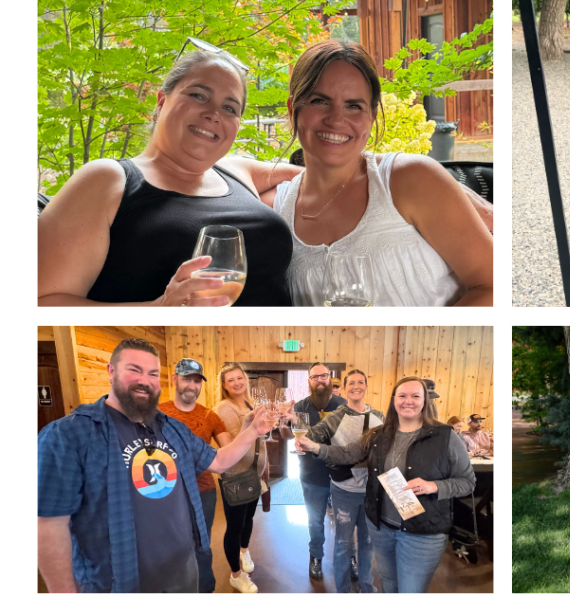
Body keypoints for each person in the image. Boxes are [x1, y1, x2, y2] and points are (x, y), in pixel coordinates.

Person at [38, 43, 294, 307]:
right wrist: (158, 309)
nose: (213, 114)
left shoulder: (235, 171)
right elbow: (43, 302)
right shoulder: (107, 179)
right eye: (198, 95)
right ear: (161, 102)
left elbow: (315, 178)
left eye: (230, 108)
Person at [38, 338, 274, 593]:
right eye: (134, 370)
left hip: (183, 573)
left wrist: (253, 431)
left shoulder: (172, 428)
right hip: (119, 582)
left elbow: (218, 461)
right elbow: (49, 524)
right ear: (111, 371)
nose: (145, 380)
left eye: (152, 373)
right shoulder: (68, 434)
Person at [271, 41, 493, 307]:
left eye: (354, 106)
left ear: (372, 116)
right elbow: (229, 170)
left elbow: (493, 285)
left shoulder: (410, 179)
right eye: (320, 101)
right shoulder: (276, 212)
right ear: (293, 109)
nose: (336, 119)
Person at [296, 376, 475, 593]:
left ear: (425, 401)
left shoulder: (445, 436)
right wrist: (314, 447)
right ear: (394, 400)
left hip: (421, 533)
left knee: (410, 591)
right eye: (402, 395)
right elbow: (347, 453)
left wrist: (434, 486)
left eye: (415, 396)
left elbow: (467, 482)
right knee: (388, 585)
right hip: (382, 529)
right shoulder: (378, 434)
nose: (408, 401)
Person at [303, 369, 385, 593]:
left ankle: (367, 587)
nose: (356, 386)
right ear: (345, 388)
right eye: (351, 383)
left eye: (360, 382)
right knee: (343, 543)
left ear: (366, 386)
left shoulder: (379, 416)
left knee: (368, 543)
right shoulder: (335, 417)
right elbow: (310, 437)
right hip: (344, 491)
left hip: (372, 491)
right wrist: (294, 425)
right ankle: (343, 591)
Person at [158, 358, 231, 593]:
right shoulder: (157, 413)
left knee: (201, 545)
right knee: (170, 546)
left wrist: (252, 428)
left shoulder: (210, 416)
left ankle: (204, 590)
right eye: (186, 379)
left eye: (197, 381)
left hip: (203, 493)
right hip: (165, 493)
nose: (192, 386)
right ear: (174, 379)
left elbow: (227, 451)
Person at [280, 362, 346, 580]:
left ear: (330, 378)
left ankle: (349, 556)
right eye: (314, 377)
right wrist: (283, 421)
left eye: (323, 375)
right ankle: (316, 556)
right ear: (309, 381)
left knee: (345, 521)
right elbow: (287, 436)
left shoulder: (343, 405)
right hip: (312, 474)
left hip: (342, 475)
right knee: (315, 521)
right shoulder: (300, 406)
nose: (319, 380)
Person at [215, 363, 272, 592]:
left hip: (253, 473)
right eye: (231, 380)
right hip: (236, 476)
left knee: (248, 519)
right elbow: (231, 445)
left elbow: (260, 438)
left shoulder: (251, 403)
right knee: (234, 526)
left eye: (239, 378)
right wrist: (250, 424)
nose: (237, 383)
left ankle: (244, 551)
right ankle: (235, 575)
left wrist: (266, 461)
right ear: (224, 385)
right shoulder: (224, 408)